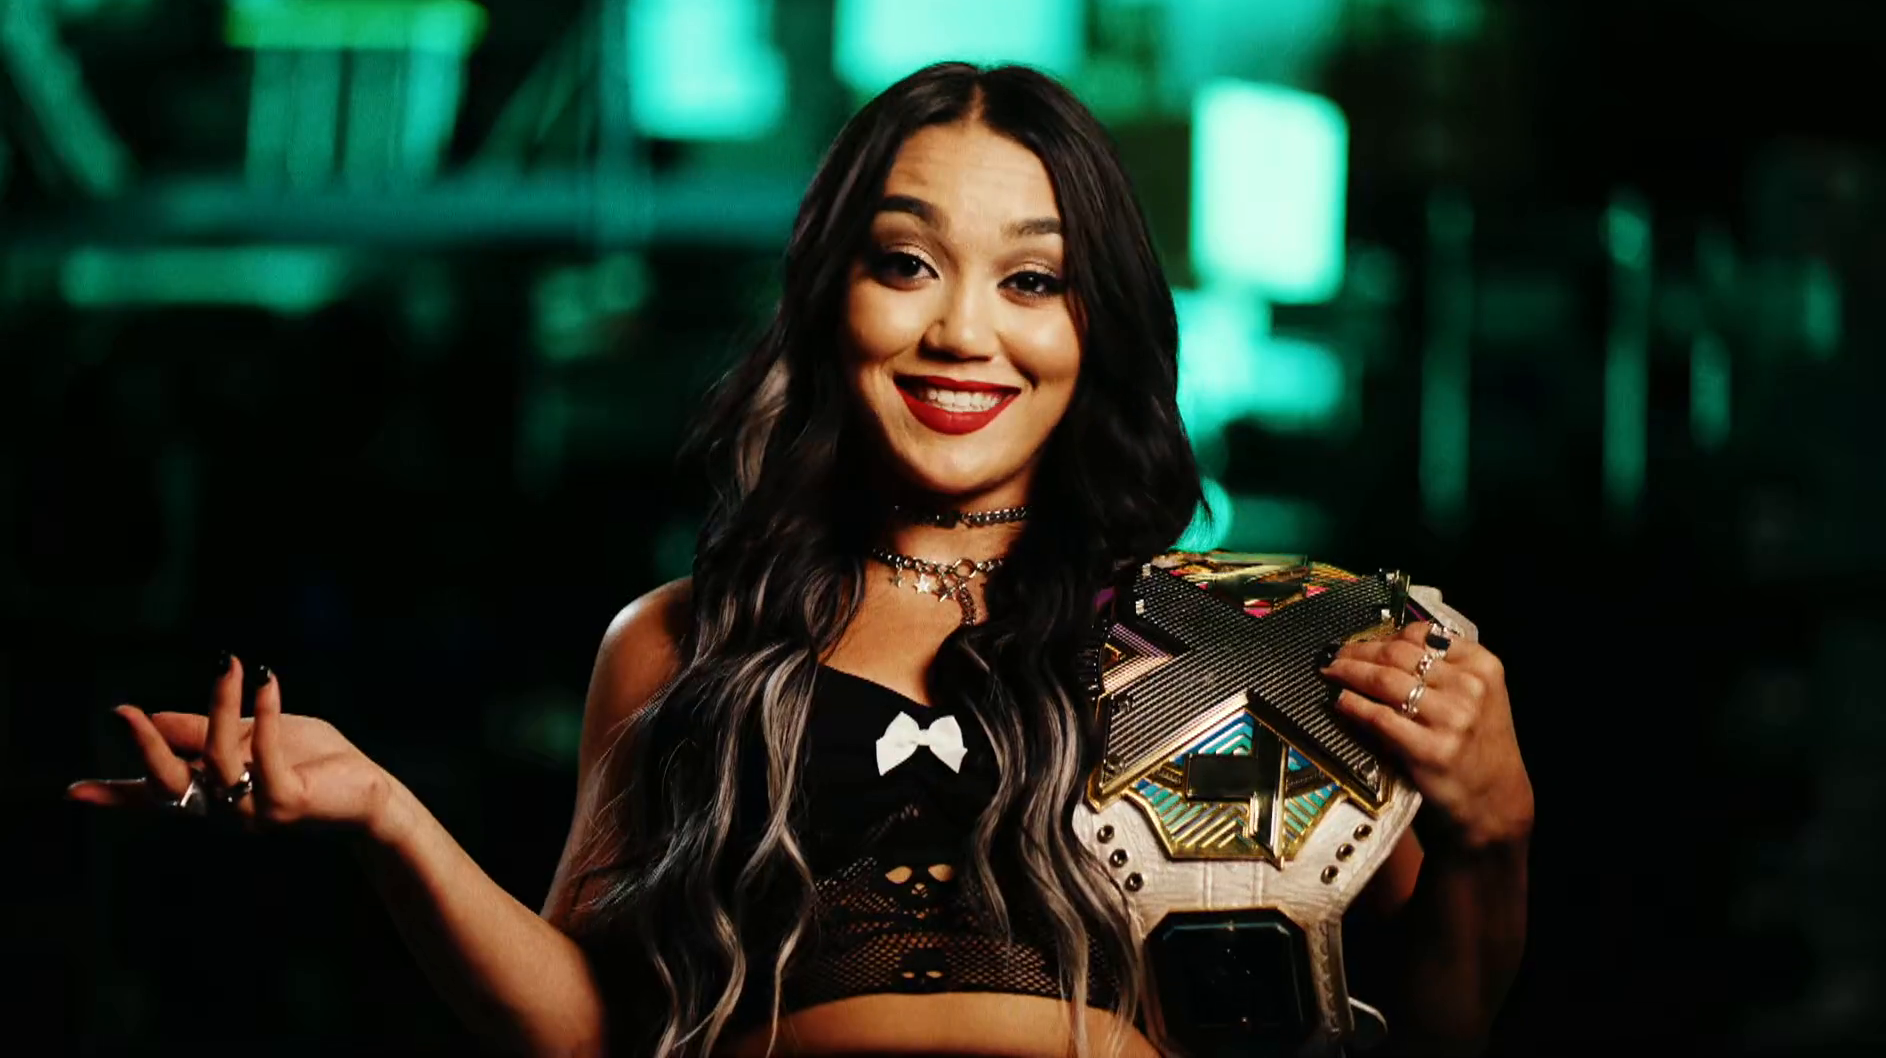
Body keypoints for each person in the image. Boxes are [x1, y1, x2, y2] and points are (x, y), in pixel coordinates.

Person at [68, 62, 1534, 1057]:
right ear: (832, 292)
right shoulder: (684, 644)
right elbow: (592, 1033)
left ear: (1100, 328)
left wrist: (1493, 826)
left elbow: (1440, 1031)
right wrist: (387, 817)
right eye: (906, 262)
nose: (961, 330)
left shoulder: (1253, 646)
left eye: (1032, 279)